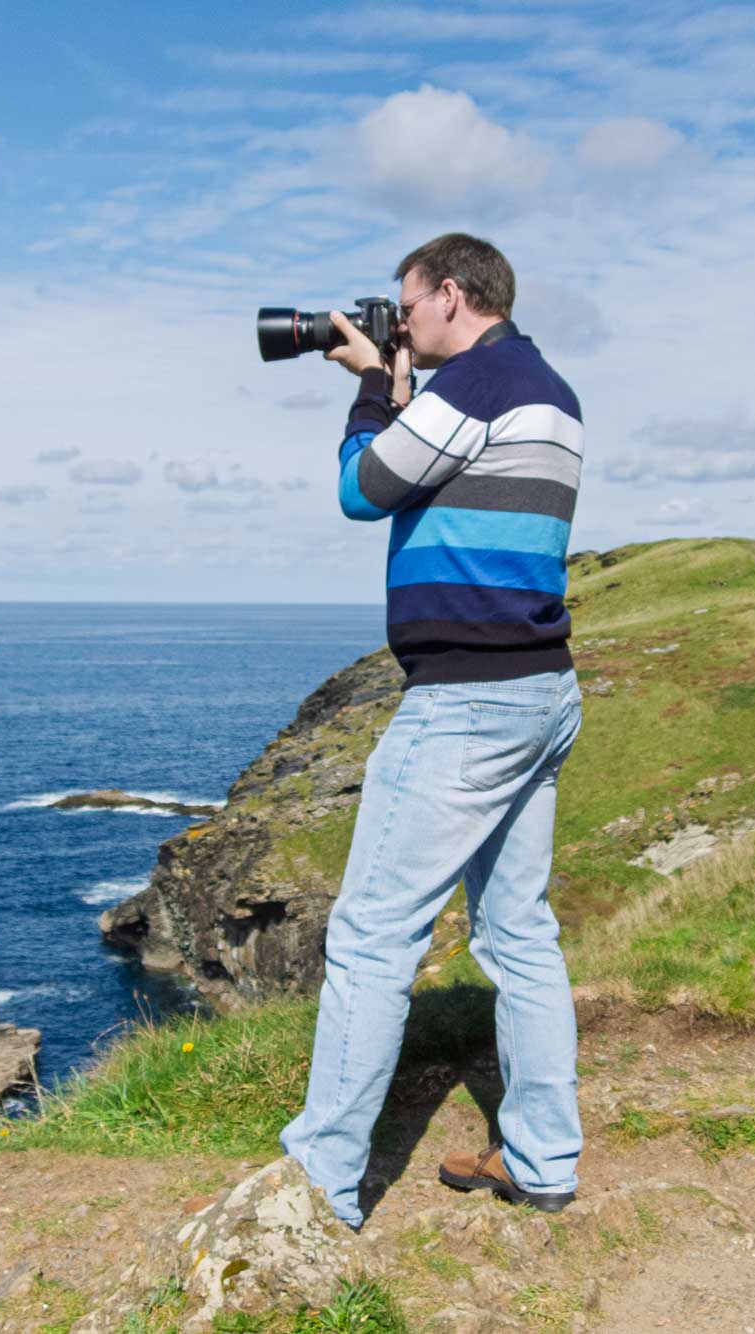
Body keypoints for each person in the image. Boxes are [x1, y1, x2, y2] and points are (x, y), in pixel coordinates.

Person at [278, 233, 586, 1230]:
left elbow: (362, 488)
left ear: (451, 294)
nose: (395, 320)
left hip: (464, 701)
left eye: (405, 305)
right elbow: (444, 474)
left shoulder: (478, 383)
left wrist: (371, 387)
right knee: (517, 934)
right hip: (539, 687)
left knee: (371, 939)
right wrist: (404, 377)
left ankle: (318, 1186)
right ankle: (543, 1159)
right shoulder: (544, 386)